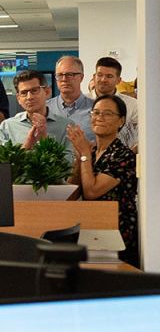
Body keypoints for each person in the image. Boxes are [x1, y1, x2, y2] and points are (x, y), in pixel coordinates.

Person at [68, 94, 138, 268]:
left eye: (107, 114)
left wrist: (84, 154)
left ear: (121, 121)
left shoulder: (124, 155)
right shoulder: (91, 152)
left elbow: (92, 192)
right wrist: (80, 159)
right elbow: (72, 193)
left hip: (116, 229)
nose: (99, 118)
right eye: (96, 113)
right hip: (90, 227)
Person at [0, 70, 71, 156]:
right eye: (24, 93)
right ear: (18, 98)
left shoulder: (66, 126)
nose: (29, 97)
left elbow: (69, 165)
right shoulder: (7, 126)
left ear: (47, 92)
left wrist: (44, 142)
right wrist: (26, 147)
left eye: (34, 90)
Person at [90, 56, 140, 149]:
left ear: (118, 80)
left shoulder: (132, 105)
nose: (103, 79)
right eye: (99, 75)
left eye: (109, 76)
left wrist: (132, 153)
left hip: (121, 160)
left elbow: (143, 134)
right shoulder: (83, 102)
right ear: (94, 77)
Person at [48, 56, 93, 141]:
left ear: (81, 77)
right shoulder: (46, 109)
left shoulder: (95, 109)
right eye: (60, 75)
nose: (64, 79)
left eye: (69, 75)